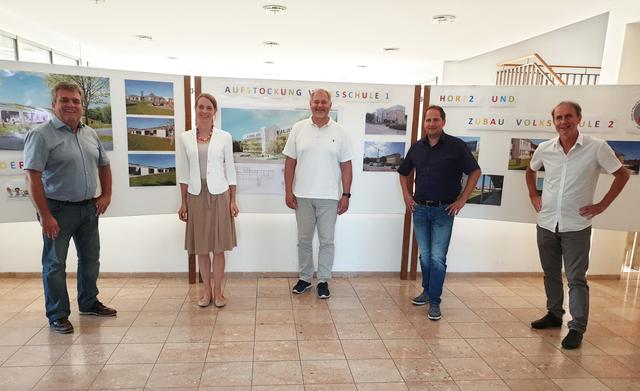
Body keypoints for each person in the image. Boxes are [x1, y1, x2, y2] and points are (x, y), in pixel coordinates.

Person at [526, 101, 629, 349]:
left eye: (568, 117)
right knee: (551, 274)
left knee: (576, 279)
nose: (563, 122)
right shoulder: (545, 148)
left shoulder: (596, 147)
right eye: (558, 118)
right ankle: (554, 314)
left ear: (579, 118)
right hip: (547, 222)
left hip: (577, 226)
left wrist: (602, 205)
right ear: (554, 121)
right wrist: (533, 195)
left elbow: (622, 174)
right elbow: (530, 171)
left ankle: (577, 328)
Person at [24, 81, 116, 334]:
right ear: (54, 104)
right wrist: (45, 216)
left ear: (82, 105)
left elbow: (104, 165)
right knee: (55, 264)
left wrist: (106, 194)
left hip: (88, 209)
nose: (70, 105)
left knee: (90, 260)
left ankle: (88, 303)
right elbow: (32, 177)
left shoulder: (90, 133)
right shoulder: (41, 135)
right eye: (64, 100)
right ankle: (58, 314)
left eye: (75, 101)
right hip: (57, 210)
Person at [398, 105, 481, 320]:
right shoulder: (416, 147)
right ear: (424, 123)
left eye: (435, 120)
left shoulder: (456, 146)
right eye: (428, 120)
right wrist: (407, 195)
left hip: (444, 210)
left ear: (443, 122)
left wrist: (462, 199)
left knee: (437, 258)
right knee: (425, 256)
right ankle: (426, 291)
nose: (431, 124)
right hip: (420, 209)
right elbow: (404, 172)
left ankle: (435, 301)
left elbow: (475, 171)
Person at [283, 88, 353, 299]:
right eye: (316, 102)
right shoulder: (298, 128)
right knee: (304, 240)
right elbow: (290, 162)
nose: (320, 105)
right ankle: (305, 278)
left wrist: (346, 195)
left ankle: (323, 280)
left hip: (329, 197)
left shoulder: (341, 132)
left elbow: (347, 166)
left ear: (330, 106)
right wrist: (288, 191)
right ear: (310, 104)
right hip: (302, 195)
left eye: (324, 102)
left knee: (327, 242)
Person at [177, 93, 238, 308]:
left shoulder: (224, 137)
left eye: (208, 108)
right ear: (195, 109)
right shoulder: (185, 137)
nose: (204, 111)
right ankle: (206, 291)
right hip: (195, 195)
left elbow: (230, 169)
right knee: (202, 248)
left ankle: (219, 292)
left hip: (219, 194)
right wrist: (183, 202)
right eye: (200, 107)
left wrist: (233, 200)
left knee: (219, 247)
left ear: (214, 111)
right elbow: (183, 172)